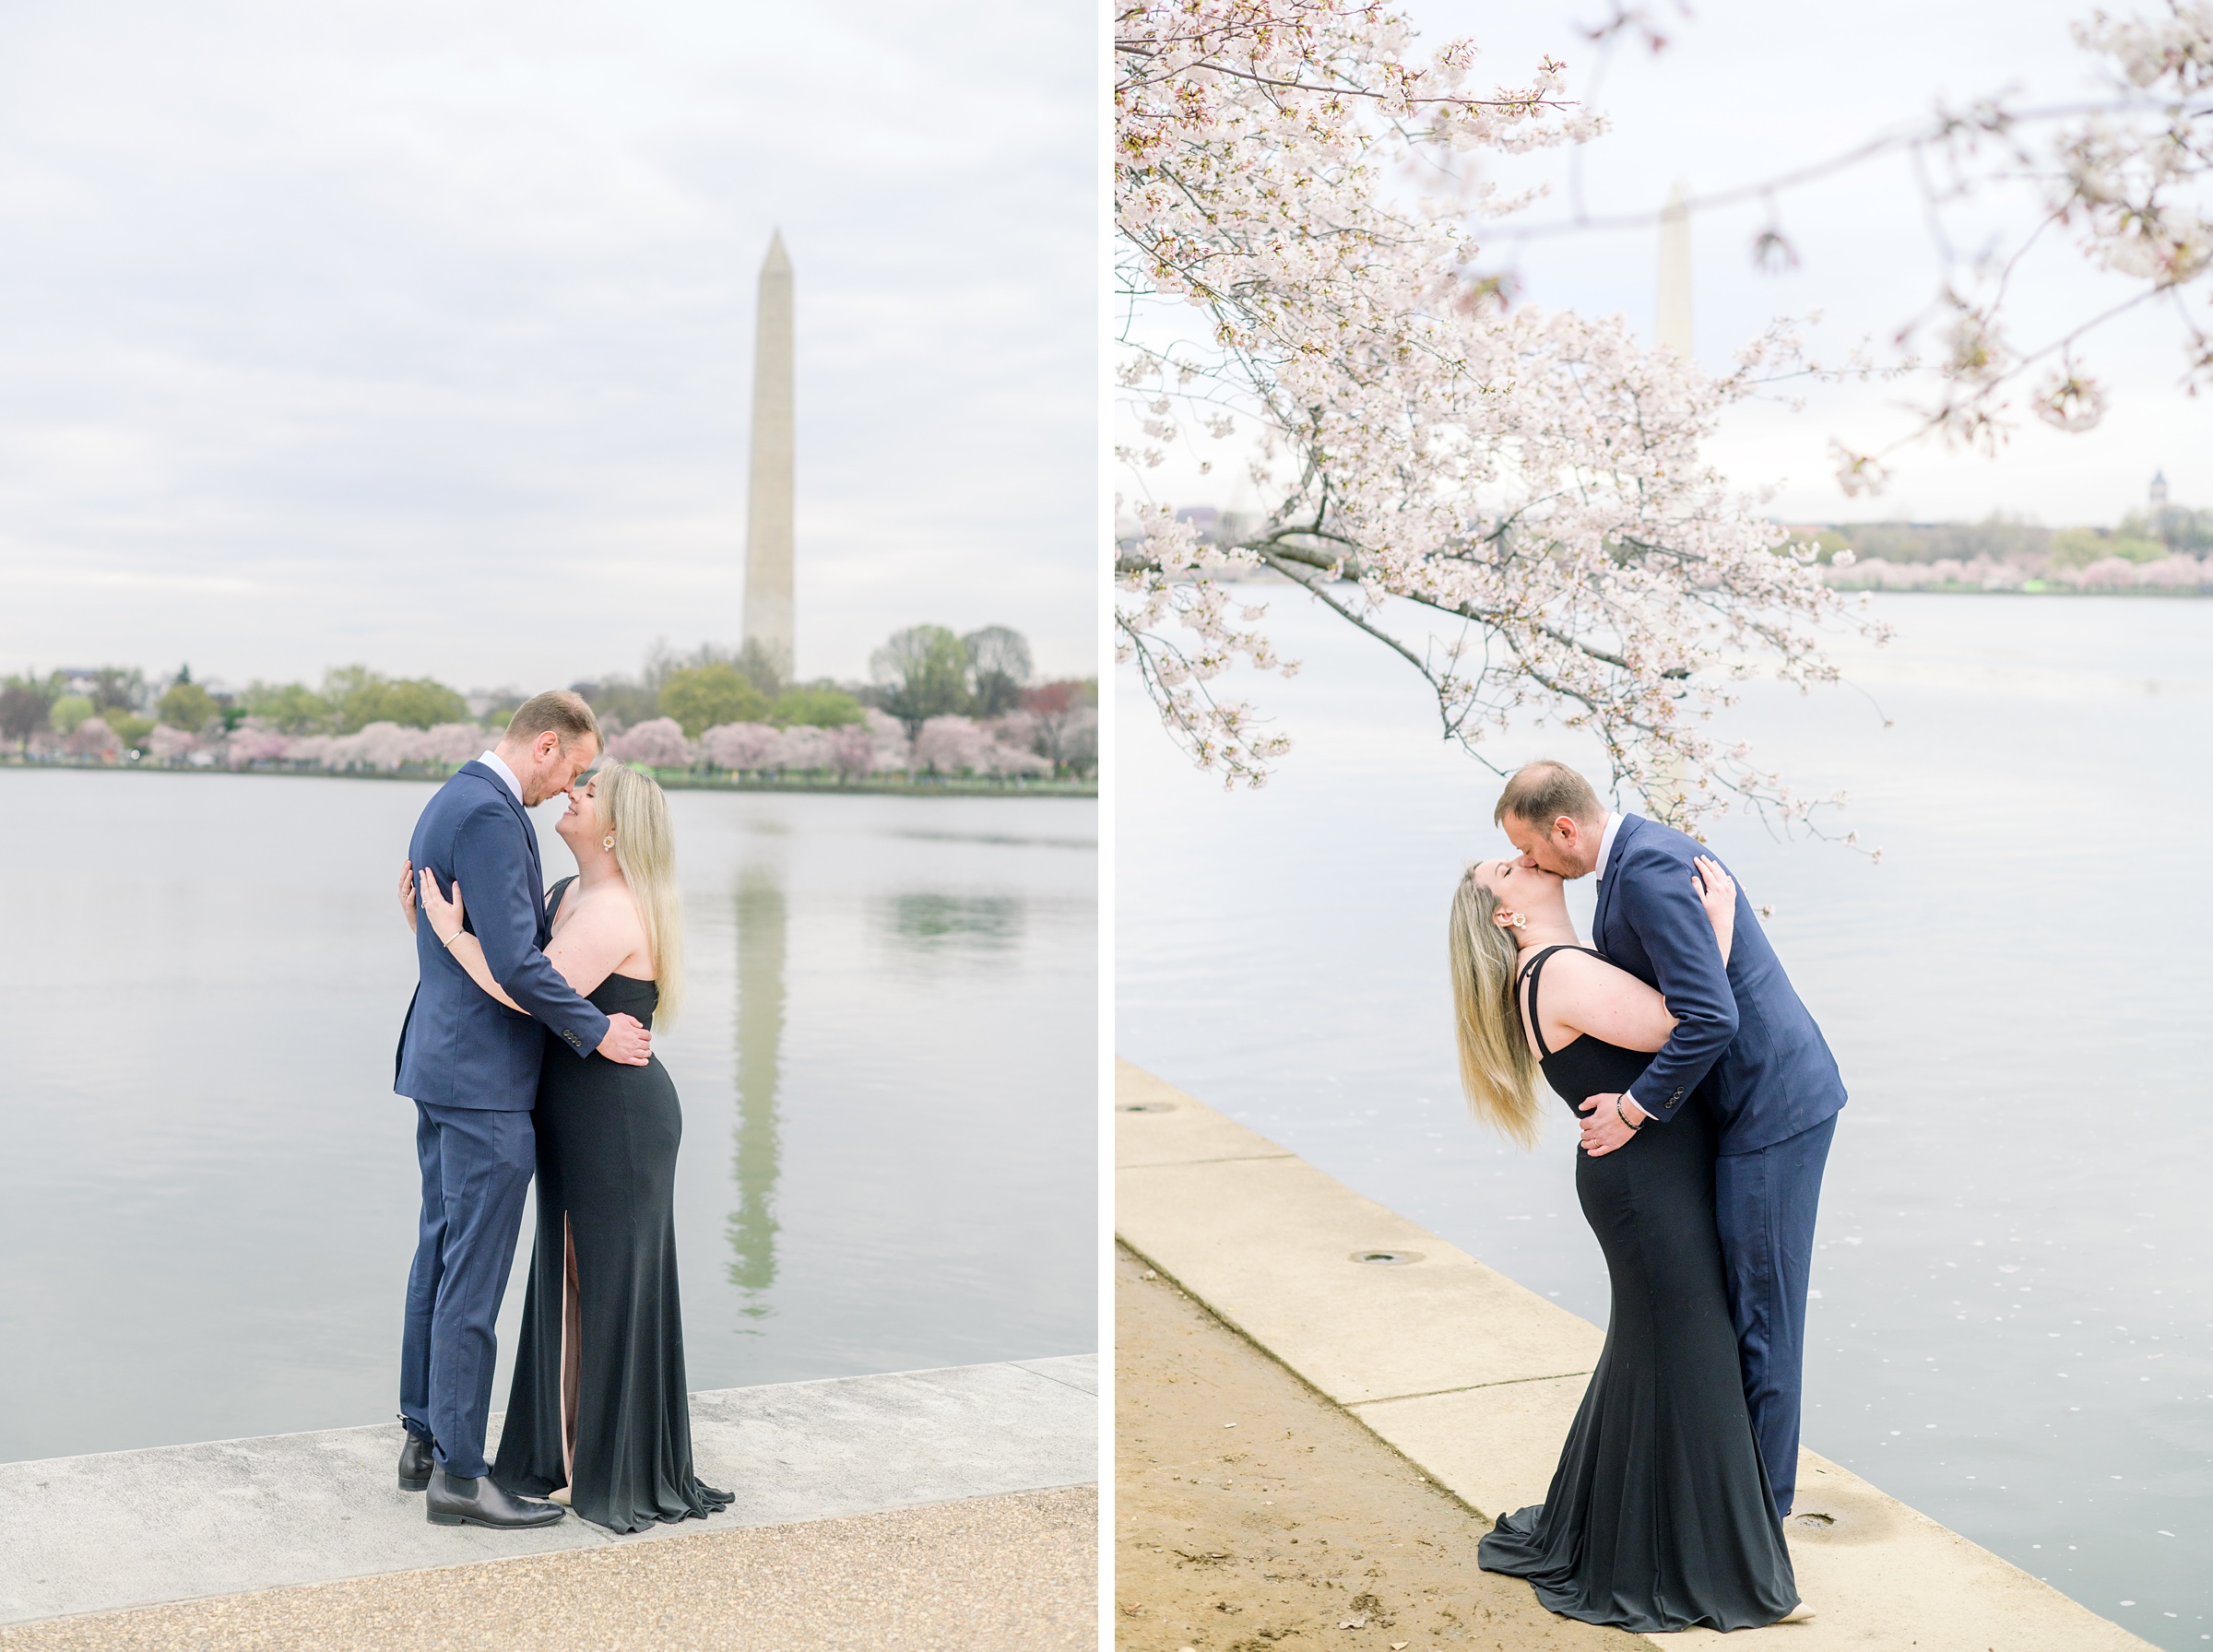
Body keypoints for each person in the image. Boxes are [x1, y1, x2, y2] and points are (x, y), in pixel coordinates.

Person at [1452, 852, 1805, 1631]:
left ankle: (1622, 1535)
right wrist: (1715, 929)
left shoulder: (1561, 966)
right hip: (1647, 1190)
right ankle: (1695, 1561)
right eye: (1503, 871)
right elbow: (1687, 1024)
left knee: (1655, 1355)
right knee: (1691, 1354)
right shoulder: (1558, 967)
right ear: (1506, 917)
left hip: (1647, 1182)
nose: (1522, 859)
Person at [1495, 760, 1847, 1519]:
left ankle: (1761, 1521)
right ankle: (1723, 1510)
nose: (1529, 864)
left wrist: (1632, 1110)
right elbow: (1677, 1006)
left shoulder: (1648, 871)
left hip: (1772, 1111)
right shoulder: (1628, 869)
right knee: (1734, 1310)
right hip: (1734, 1110)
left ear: (1565, 828)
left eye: (1529, 849)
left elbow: (1710, 1018)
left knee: (1763, 1313)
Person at [412, 761, 731, 1533]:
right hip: (574, 1110)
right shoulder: (568, 894)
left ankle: (614, 1464)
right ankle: (565, 1450)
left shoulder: (615, 910)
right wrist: (432, 923)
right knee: (570, 1281)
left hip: (617, 1119)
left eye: (587, 794)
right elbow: (516, 961)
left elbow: (526, 990)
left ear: (615, 827)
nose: (571, 795)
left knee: (610, 1284)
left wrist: (451, 934)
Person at [391, 690, 653, 1531]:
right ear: (546, 747)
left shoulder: (451, 798)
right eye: (572, 770)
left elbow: (462, 937)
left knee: (439, 1251)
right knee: (473, 1273)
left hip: (442, 1063)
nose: (565, 790)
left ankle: (425, 1436)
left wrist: (433, 933)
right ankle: (462, 1478)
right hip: (484, 1080)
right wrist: (594, 1030)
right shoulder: (495, 816)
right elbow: (515, 964)